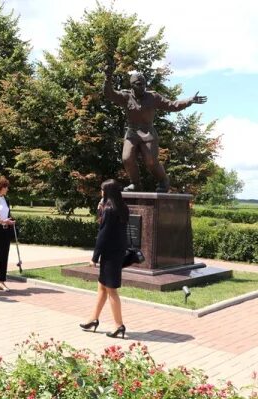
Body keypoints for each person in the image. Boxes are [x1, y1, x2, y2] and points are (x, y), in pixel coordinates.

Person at [103, 64, 207, 192]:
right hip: (132, 132)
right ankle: (135, 184)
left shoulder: (153, 97)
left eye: (144, 84)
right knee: (127, 158)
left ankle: (163, 181)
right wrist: (107, 77)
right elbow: (109, 94)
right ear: (132, 85)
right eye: (138, 84)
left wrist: (189, 100)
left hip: (148, 133)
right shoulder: (126, 96)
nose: (142, 87)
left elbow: (172, 105)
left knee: (151, 160)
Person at [80, 179, 129, 339]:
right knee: (102, 287)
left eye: (102, 190)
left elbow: (103, 234)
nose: (100, 192)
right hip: (118, 251)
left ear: (107, 191)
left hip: (110, 254)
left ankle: (118, 325)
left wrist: (94, 257)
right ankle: (93, 319)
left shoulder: (109, 209)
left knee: (111, 290)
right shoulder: (122, 207)